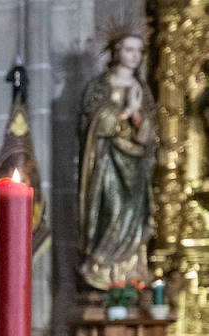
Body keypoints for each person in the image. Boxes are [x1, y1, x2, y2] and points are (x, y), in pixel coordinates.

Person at [78, 27, 156, 290]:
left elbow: (150, 133)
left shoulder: (142, 89)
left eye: (139, 50)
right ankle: (102, 269)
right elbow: (91, 124)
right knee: (110, 213)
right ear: (115, 53)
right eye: (129, 49)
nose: (135, 56)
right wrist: (127, 111)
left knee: (133, 215)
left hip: (135, 166)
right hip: (108, 163)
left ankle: (130, 273)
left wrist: (139, 118)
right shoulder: (99, 86)